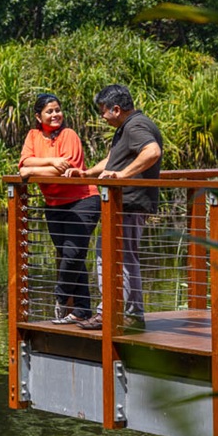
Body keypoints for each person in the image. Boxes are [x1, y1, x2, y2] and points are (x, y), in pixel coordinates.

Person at [64, 84, 162, 332]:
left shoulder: (136, 126)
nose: (102, 117)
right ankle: (117, 313)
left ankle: (122, 314)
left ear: (116, 109)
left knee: (120, 257)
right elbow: (112, 160)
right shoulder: (126, 128)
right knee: (111, 256)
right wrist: (86, 173)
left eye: (103, 111)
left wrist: (121, 176)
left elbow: (152, 151)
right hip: (121, 203)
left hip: (128, 203)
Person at [18, 93, 101, 324]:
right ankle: (82, 310)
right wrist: (51, 161)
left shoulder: (69, 135)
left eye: (58, 110)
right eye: (49, 111)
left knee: (73, 253)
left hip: (82, 201)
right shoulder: (33, 135)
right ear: (38, 116)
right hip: (54, 205)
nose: (55, 115)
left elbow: (66, 170)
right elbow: (25, 162)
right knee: (71, 256)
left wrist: (31, 171)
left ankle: (61, 295)